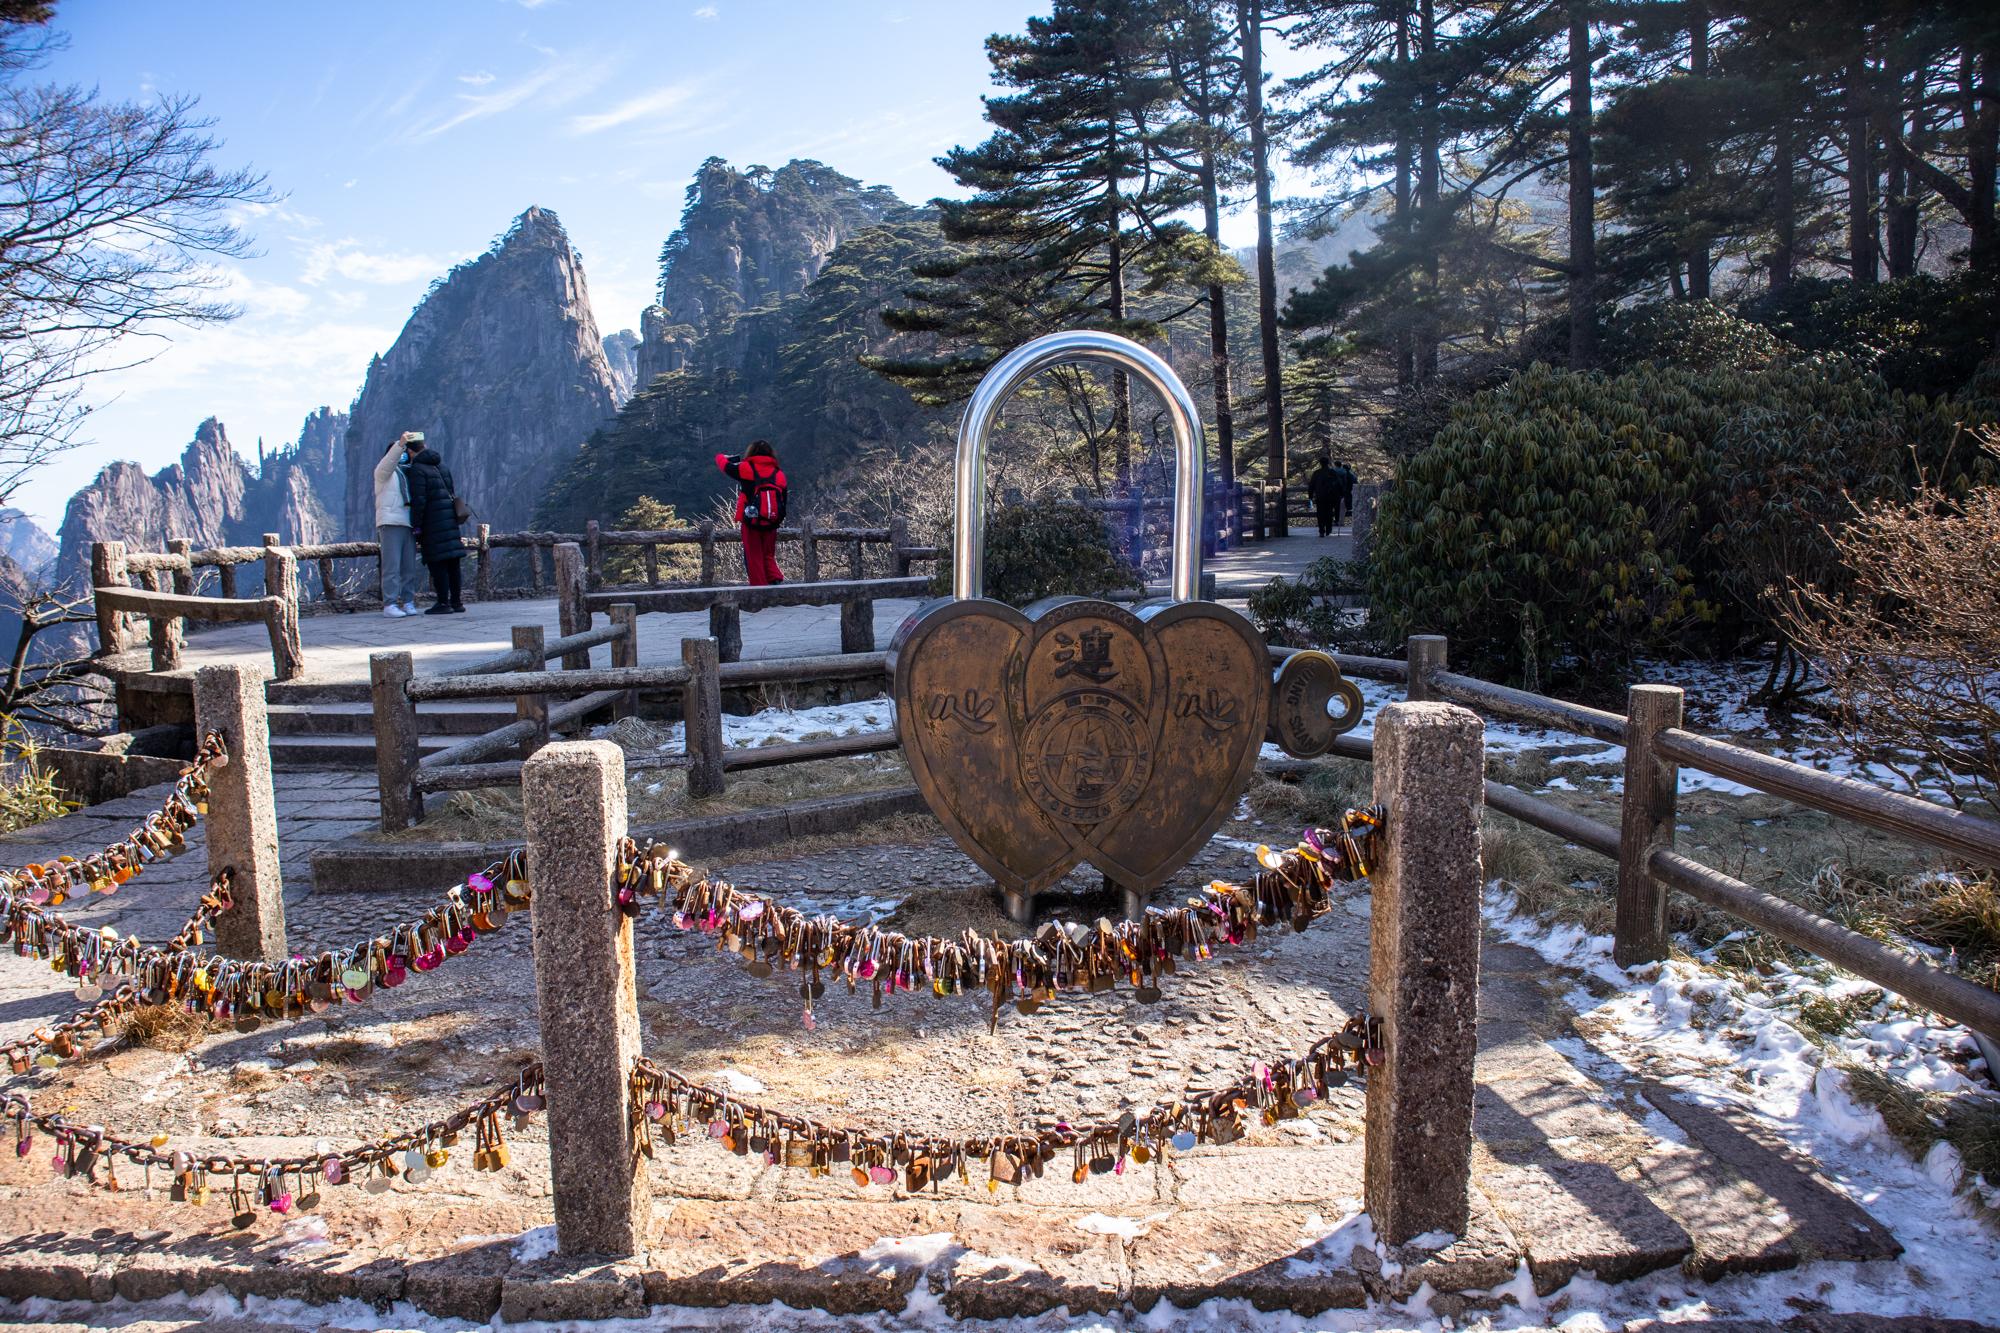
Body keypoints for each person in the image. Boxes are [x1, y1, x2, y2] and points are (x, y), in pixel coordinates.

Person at [404, 438, 467, 614]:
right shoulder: (442, 466)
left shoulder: (417, 469)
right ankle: (457, 602)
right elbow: (452, 492)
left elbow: (419, 500)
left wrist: (417, 526)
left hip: (432, 523)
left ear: (410, 452)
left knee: (438, 563)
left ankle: (443, 602)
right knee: (453, 562)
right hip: (449, 520)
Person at [715, 440, 787, 587]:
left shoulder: (746, 468)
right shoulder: (779, 474)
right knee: (768, 554)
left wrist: (722, 456)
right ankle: (775, 580)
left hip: (751, 519)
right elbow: (783, 501)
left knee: (753, 555)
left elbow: (724, 466)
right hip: (771, 520)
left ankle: (759, 590)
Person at [373, 432, 422, 617]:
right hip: (390, 522)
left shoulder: (409, 472)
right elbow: (389, 463)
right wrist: (400, 444)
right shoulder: (383, 473)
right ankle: (390, 604)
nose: (403, 455)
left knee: (408, 566)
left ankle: (408, 601)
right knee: (391, 566)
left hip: (408, 523)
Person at [1306, 454, 1338, 538]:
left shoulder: (1316, 473)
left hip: (1320, 496)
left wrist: (1310, 496)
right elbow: (1338, 485)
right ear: (1328, 463)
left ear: (1320, 463)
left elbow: (1311, 485)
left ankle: (1321, 530)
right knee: (1329, 513)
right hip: (1330, 497)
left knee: (1320, 513)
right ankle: (1328, 530)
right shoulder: (1332, 472)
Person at [1332, 459, 1357, 527]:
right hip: (1353, 494)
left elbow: (1344, 486)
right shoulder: (1353, 475)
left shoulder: (1346, 475)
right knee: (1348, 508)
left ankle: (1340, 522)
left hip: (1347, 495)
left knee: (1342, 508)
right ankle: (1343, 522)